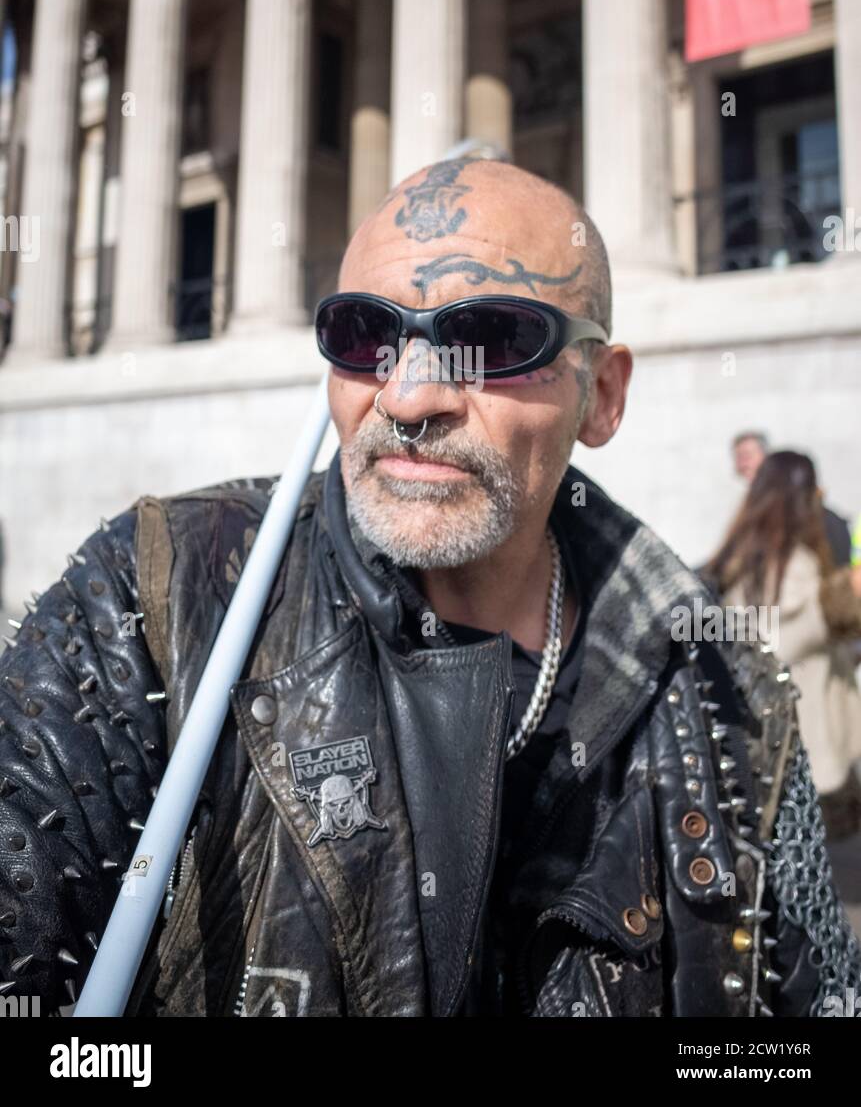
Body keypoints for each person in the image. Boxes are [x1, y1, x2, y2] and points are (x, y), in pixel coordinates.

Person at [1, 160, 858, 1018]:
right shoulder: (150, 596)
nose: (410, 398)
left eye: (487, 337)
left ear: (601, 394)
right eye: (365, 334)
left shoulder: (724, 690)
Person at [707, 451, 861, 843]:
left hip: (784, 744)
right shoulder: (780, 563)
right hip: (794, 749)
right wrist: (844, 597)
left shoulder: (749, 557)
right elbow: (783, 637)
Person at [731, 433, 852, 566]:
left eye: (747, 455)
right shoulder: (755, 510)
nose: (742, 463)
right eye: (738, 457)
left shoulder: (818, 520)